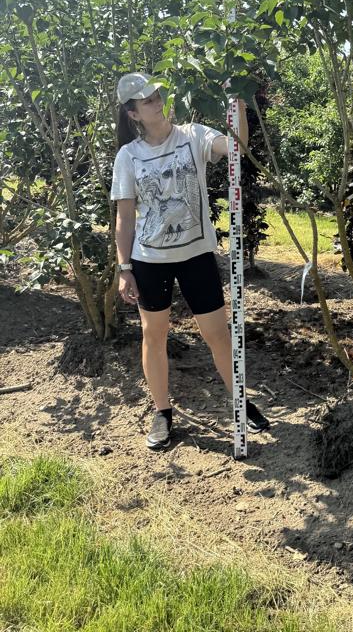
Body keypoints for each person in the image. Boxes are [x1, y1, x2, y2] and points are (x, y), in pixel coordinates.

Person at [110, 71, 270, 450]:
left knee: (217, 333)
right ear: (133, 114)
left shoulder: (194, 135)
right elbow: (125, 218)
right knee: (155, 335)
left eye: (157, 94)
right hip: (149, 261)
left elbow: (236, 149)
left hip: (196, 255)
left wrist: (239, 104)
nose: (155, 100)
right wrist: (124, 268)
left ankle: (240, 400)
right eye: (146, 99)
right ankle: (163, 412)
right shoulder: (128, 156)